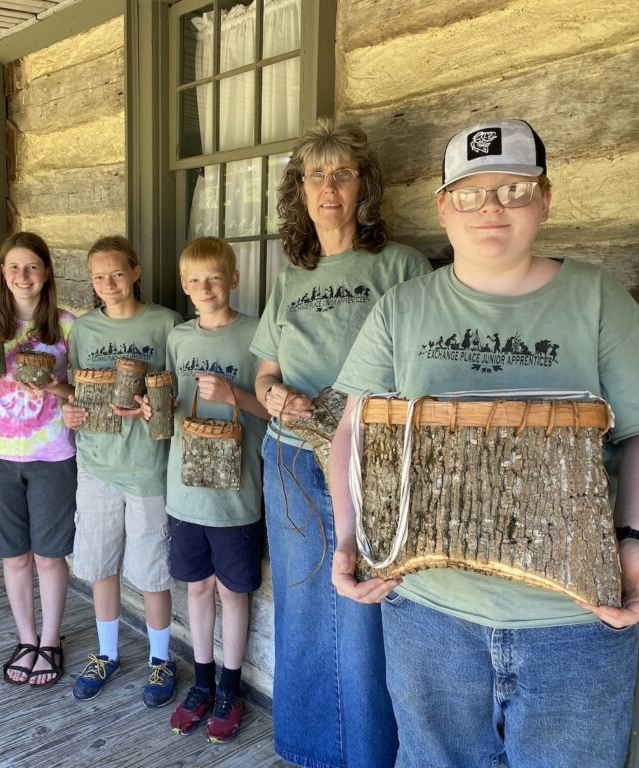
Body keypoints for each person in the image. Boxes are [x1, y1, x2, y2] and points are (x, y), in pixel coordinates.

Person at [329, 118, 639, 768]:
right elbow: (354, 427)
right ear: (443, 208)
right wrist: (351, 535)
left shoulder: (596, 300)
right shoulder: (401, 309)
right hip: (430, 610)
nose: (490, 207)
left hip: (573, 615)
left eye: (513, 189)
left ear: (544, 199)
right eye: (469, 192)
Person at [250, 118, 431, 767]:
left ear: (364, 187)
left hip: (372, 462)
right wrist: (274, 397)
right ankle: (305, 748)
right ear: (299, 191)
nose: (328, 189)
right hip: (292, 458)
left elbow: (421, 370)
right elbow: (265, 372)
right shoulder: (290, 276)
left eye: (342, 175)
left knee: (366, 606)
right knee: (302, 599)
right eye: (315, 176)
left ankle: (369, 754)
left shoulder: (400, 266)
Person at [150, 237, 269, 742]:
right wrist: (150, 409)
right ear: (184, 286)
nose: (205, 288)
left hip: (237, 491)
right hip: (185, 490)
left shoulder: (257, 334)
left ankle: (230, 687)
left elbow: (270, 408)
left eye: (215, 279)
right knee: (196, 587)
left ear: (233, 279)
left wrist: (234, 394)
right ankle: (200, 681)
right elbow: (171, 402)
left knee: (232, 591)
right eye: (195, 281)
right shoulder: (178, 339)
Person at [62, 235, 182, 706]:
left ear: (135, 272)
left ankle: (160, 659)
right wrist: (69, 414)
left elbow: (177, 393)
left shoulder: (166, 324)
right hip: (96, 465)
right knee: (99, 563)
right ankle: (106, 654)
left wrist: (158, 406)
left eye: (116, 273)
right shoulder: (84, 331)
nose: (108, 284)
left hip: (148, 466)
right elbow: (76, 393)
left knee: (153, 570)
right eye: (98, 276)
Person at [0, 231, 76, 688]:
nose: (22, 275)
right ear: (2, 273)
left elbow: (82, 393)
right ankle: (26, 638)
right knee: (15, 557)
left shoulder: (69, 326)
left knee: (49, 558)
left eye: (32, 266)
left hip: (52, 454)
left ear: (46, 272)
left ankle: (51, 641)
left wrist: (52, 386)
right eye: (13, 266)